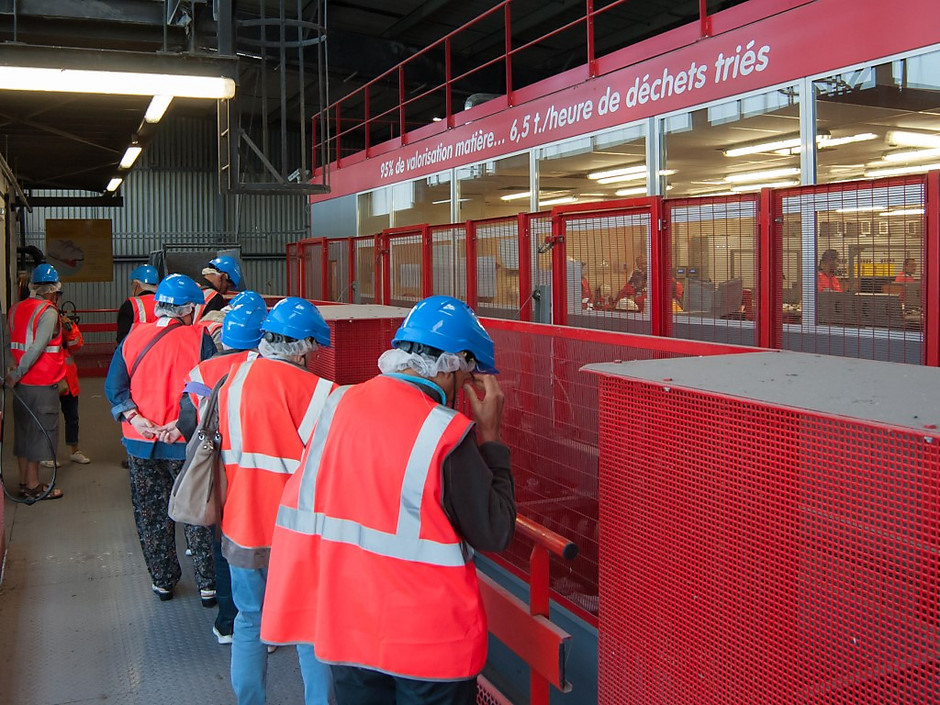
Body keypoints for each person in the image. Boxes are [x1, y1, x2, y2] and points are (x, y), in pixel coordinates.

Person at [261, 295, 516, 705]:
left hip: (347, 627)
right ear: (452, 366)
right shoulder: (446, 433)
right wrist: (492, 439)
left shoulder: (337, 405)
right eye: (469, 373)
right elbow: (495, 530)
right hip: (428, 646)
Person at [214, 297, 336, 705]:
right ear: (302, 347)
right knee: (308, 628)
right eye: (315, 347)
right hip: (296, 533)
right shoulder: (320, 392)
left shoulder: (232, 381)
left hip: (241, 526)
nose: (316, 355)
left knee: (249, 620)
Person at [105, 273, 218, 604]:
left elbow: (115, 387)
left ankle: (163, 581)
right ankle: (208, 584)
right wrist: (179, 426)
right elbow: (208, 388)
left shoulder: (133, 338)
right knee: (196, 511)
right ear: (188, 310)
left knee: (150, 512)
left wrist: (136, 419)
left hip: (140, 443)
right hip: (183, 444)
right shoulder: (199, 338)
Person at [176, 291, 268, 649]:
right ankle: (265, 624)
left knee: (222, 546)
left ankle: (228, 623)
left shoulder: (202, 370)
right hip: (261, 474)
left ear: (223, 334)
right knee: (260, 550)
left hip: (217, 473)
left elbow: (188, 422)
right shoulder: (268, 370)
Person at [6, 264, 67, 501]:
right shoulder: (48, 312)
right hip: (40, 384)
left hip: (20, 387)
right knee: (39, 435)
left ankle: (24, 482)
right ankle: (33, 486)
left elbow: (9, 344)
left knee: (23, 433)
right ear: (53, 291)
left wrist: (12, 373)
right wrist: (18, 373)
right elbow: (37, 348)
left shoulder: (15, 309)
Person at [53, 310, 92, 465]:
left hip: (69, 381)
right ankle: (48, 454)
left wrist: (68, 330)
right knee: (50, 419)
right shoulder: (44, 324)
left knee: (72, 418)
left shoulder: (67, 324)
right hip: (51, 377)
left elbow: (76, 345)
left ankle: (74, 450)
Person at [116, 265, 159, 344]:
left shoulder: (130, 305)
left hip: (137, 353)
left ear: (137, 285)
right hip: (160, 352)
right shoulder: (164, 303)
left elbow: (122, 338)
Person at [198, 255, 243, 319]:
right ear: (222, 277)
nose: (226, 291)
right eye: (228, 286)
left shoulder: (194, 285)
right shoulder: (215, 297)